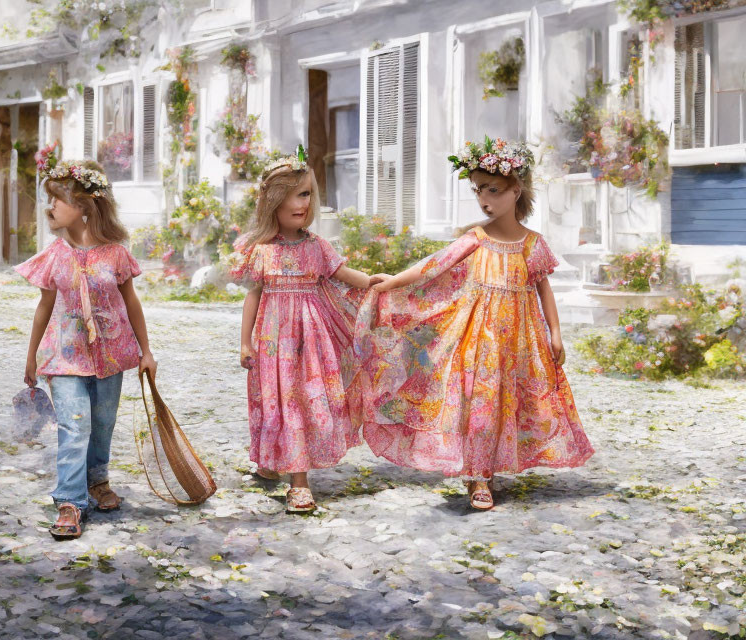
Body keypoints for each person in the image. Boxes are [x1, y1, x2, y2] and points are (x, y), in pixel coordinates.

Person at [356, 137, 594, 510]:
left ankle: (492, 466)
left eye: (493, 190)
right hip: (479, 337)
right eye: (478, 190)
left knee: (511, 403)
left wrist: (556, 334)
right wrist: (392, 283)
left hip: (521, 339)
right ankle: (478, 477)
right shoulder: (475, 240)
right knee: (481, 403)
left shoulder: (533, 244)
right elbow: (432, 267)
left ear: (516, 191)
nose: (484, 199)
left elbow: (542, 287)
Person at [17, 159, 156, 539]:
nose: (50, 208)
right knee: (74, 425)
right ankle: (70, 501)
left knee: (102, 424)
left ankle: (97, 480)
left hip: (111, 355)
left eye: (56, 201)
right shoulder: (53, 256)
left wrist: (146, 351)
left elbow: (132, 303)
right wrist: (31, 355)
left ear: (82, 208)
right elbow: (45, 306)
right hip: (64, 356)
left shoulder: (115, 254)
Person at [230, 149, 370, 513]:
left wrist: (378, 283)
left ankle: (299, 481)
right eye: (295, 194)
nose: (302, 203)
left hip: (311, 343)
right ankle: (271, 461)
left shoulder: (317, 247)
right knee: (275, 401)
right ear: (273, 200)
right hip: (273, 342)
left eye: (307, 194)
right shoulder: (260, 251)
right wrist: (245, 342)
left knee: (300, 402)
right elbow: (253, 296)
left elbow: (346, 276)